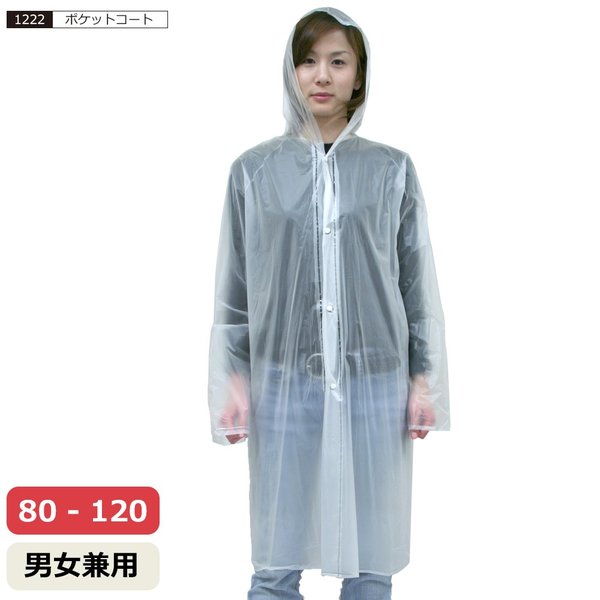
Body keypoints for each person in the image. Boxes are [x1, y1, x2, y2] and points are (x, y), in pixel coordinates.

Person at [208, 7, 450, 599]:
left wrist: (425, 381)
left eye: (338, 62)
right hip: (283, 380)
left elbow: (415, 282)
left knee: (372, 555)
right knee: (276, 554)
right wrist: (232, 380)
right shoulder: (253, 171)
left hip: (375, 379)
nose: (322, 75)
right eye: (308, 61)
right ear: (289, 72)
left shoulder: (391, 169)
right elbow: (235, 290)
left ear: (358, 75)